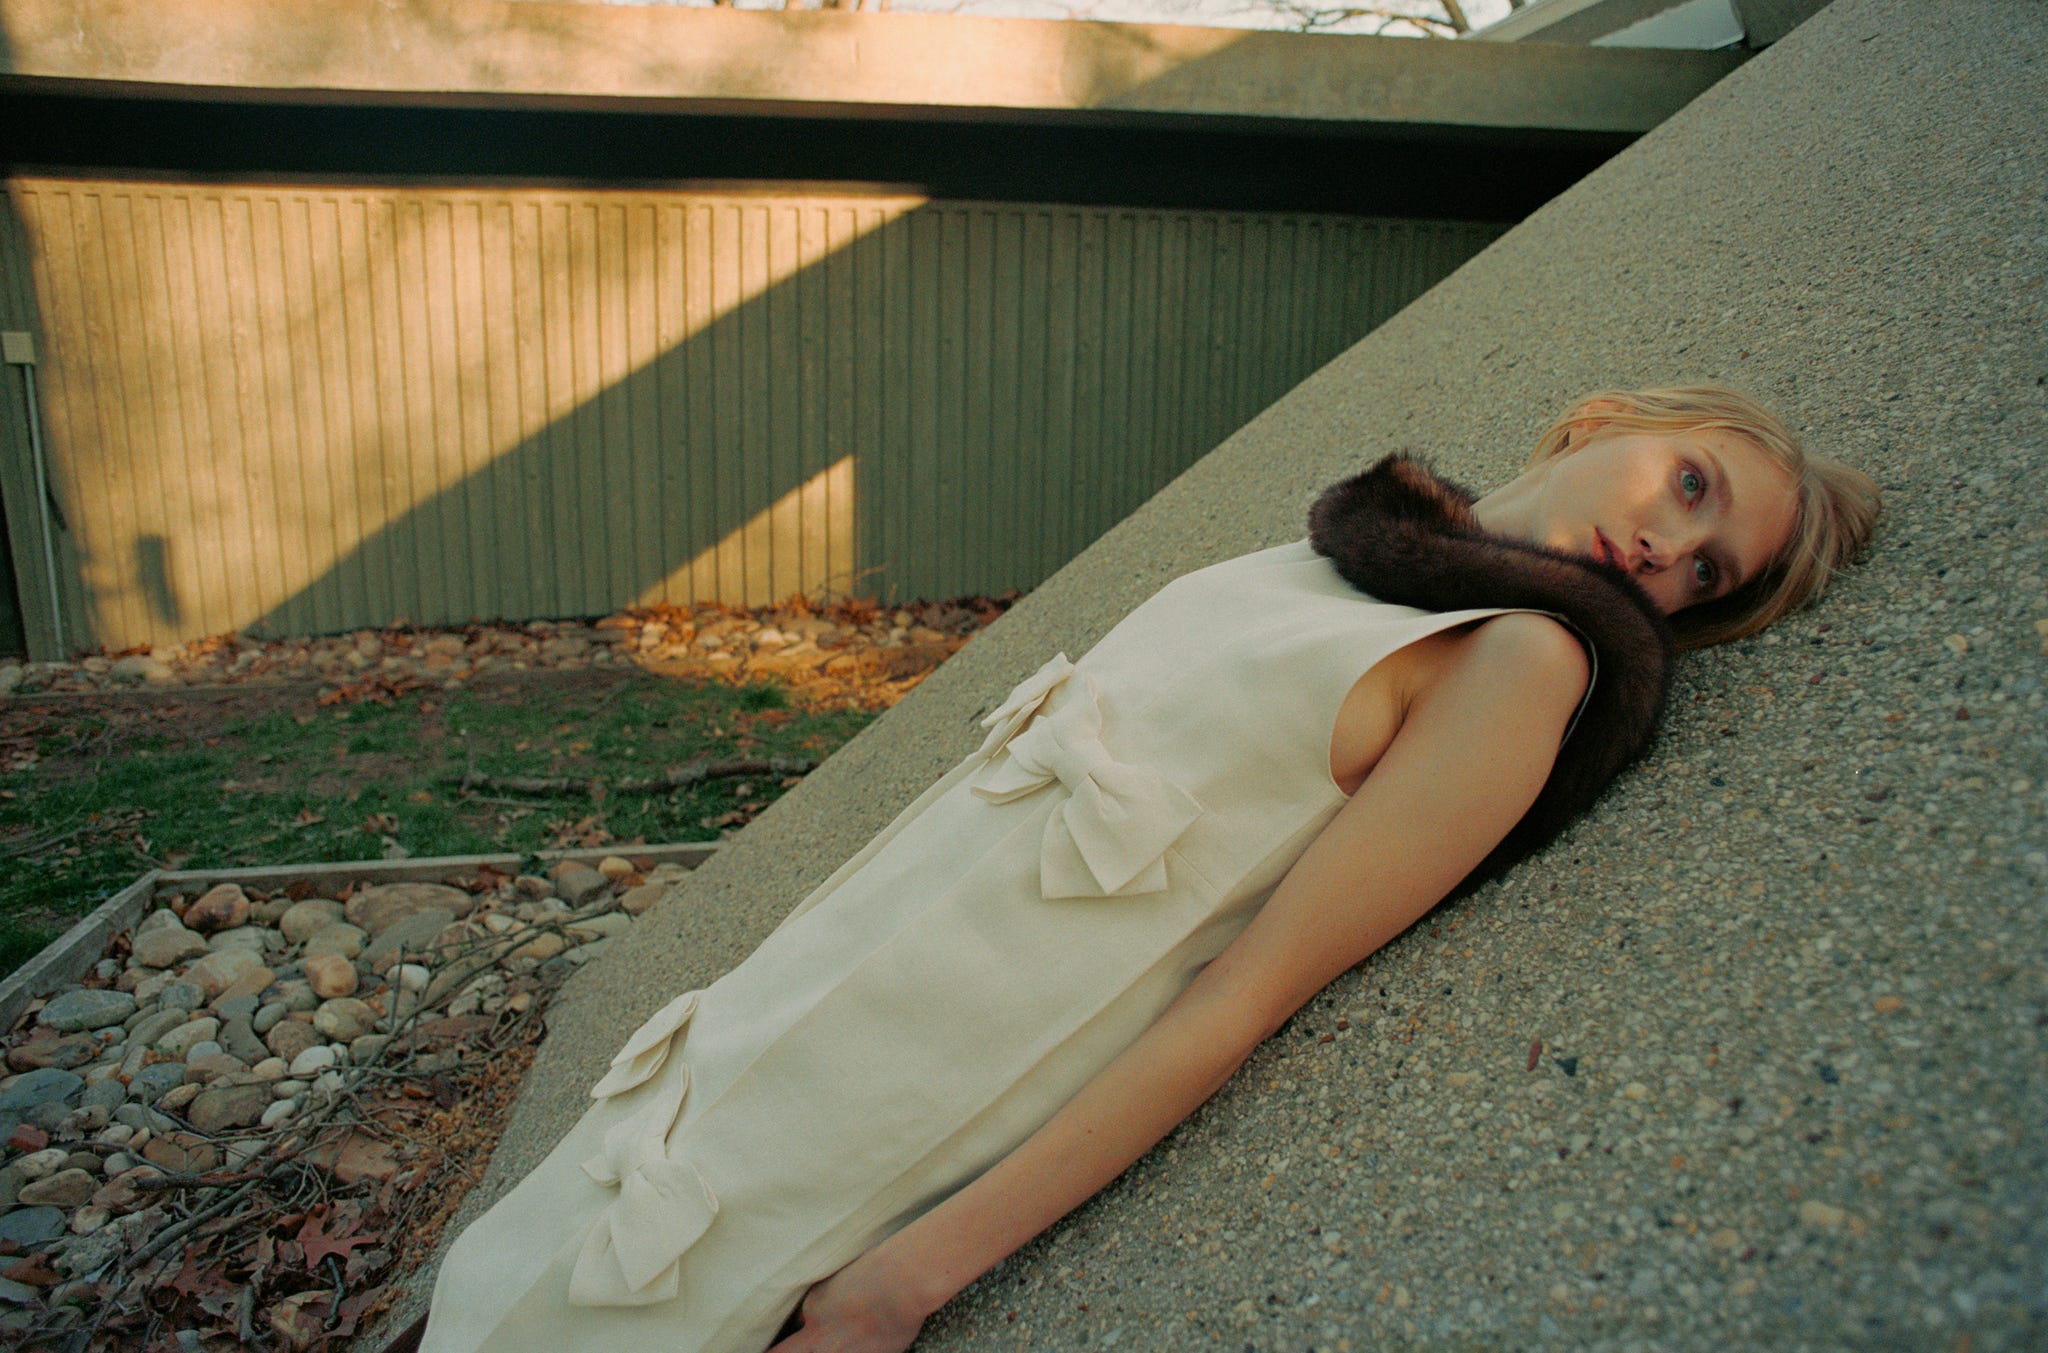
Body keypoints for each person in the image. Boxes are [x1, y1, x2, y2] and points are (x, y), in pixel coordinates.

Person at [408, 385, 1878, 1353]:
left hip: (864, 1129)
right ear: (1610, 416)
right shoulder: (1351, 560)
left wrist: (900, 1288)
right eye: (1689, 485)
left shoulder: (1523, 660)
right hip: (765, 1030)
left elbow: (1243, 997)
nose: (1664, 550)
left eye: (1706, 575)